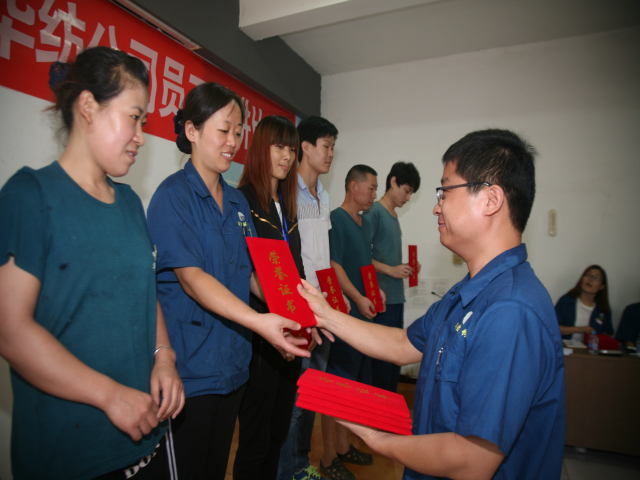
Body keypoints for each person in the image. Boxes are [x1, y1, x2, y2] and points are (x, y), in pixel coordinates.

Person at [298, 129, 566, 480]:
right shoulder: (467, 293)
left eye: (445, 191)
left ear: (491, 199)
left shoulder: (511, 311)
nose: (436, 206)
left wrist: (382, 439)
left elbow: (471, 460)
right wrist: (326, 315)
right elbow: (401, 344)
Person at [0, 47, 184, 480]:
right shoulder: (29, 196)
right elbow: (10, 329)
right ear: (88, 106)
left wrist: (163, 356)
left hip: (143, 439)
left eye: (144, 122)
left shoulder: (129, 203)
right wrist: (109, 395)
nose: (141, 136)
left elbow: (145, 292)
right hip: (69, 454)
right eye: (134, 118)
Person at [147, 83, 309, 480]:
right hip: (190, 369)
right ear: (192, 130)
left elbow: (249, 273)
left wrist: (294, 311)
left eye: (238, 132)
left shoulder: (237, 202)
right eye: (224, 130)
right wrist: (260, 322)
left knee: (216, 466)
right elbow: (192, 279)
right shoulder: (173, 196)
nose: (233, 142)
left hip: (233, 366)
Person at [233, 115, 308, 479]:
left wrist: (308, 317)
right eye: (279, 147)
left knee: (278, 433)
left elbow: (295, 271)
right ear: (261, 149)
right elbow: (242, 271)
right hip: (261, 337)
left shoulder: (286, 205)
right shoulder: (242, 200)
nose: (287, 156)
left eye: (291, 149)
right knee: (256, 439)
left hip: (290, 332)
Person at [277, 116, 348, 480]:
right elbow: (289, 259)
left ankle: (301, 464)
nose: (331, 153)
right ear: (305, 147)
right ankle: (288, 470)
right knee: (294, 400)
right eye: (326, 145)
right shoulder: (286, 193)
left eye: (333, 146)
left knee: (313, 395)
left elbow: (323, 258)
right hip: (299, 310)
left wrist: (337, 297)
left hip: (325, 310)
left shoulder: (324, 197)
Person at [320, 165, 384, 480]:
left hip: (362, 321)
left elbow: (364, 265)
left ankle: (344, 448)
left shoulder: (363, 222)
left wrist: (374, 291)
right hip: (345, 318)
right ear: (353, 187)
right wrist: (358, 298)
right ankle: (328, 456)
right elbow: (334, 265)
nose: (374, 194)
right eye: (371, 188)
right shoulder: (337, 220)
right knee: (336, 390)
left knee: (353, 389)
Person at [362, 161, 421, 393]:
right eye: (407, 191)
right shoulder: (374, 212)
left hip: (396, 298)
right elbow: (361, 256)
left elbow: (385, 259)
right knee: (380, 366)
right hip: (380, 299)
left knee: (393, 364)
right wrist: (391, 270)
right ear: (393, 182)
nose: (408, 198)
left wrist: (405, 268)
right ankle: (376, 412)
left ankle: (388, 411)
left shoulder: (393, 216)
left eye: (411, 193)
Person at [555, 265, 613, 341]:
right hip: (565, 346)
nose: (590, 279)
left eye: (596, 278)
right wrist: (579, 329)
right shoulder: (566, 301)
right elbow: (553, 328)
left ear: (602, 286)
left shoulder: (603, 310)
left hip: (590, 348)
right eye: (588, 275)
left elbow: (607, 334)